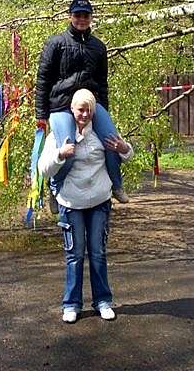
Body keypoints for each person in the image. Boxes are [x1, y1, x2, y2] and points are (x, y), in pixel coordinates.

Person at [38, 89, 133, 323]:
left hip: (99, 201)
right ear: (72, 109)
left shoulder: (101, 134)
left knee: (98, 253)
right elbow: (43, 168)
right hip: (72, 203)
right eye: (81, 109)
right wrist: (60, 154)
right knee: (75, 255)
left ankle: (103, 301)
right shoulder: (59, 136)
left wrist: (124, 149)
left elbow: (128, 152)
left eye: (89, 109)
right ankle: (71, 304)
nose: (85, 114)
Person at [35, 0, 129, 206]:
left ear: (91, 18)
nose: (81, 19)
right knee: (67, 150)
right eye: (77, 15)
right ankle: (55, 187)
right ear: (70, 16)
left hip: (91, 105)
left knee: (113, 141)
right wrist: (41, 114)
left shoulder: (98, 47)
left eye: (86, 15)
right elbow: (43, 79)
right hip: (61, 105)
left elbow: (102, 82)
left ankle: (116, 184)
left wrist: (103, 110)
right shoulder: (56, 43)